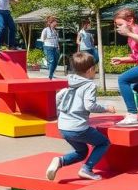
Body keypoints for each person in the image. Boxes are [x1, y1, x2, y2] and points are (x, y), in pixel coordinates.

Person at [46, 52, 114, 182]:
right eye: (95, 69)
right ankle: (86, 169)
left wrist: (61, 113)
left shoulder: (70, 81)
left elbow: (58, 98)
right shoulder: (89, 85)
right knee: (103, 143)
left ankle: (59, 161)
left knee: (82, 152)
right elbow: (89, 106)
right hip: (78, 128)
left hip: (63, 127)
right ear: (90, 70)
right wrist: (106, 108)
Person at [40, 15, 60, 79]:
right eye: (55, 22)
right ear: (51, 23)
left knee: (56, 61)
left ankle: (51, 73)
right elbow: (42, 39)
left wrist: (58, 46)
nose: (56, 23)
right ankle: (50, 76)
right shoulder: (45, 30)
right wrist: (48, 41)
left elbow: (56, 40)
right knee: (52, 61)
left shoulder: (56, 31)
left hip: (55, 47)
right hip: (48, 47)